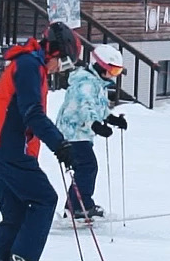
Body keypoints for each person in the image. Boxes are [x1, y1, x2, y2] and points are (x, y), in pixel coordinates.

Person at [0, 21, 80, 261]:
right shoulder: (30, 66)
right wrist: (59, 144)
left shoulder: (32, 66)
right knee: (45, 199)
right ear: (54, 51)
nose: (60, 69)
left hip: (4, 149)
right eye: (63, 62)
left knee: (16, 213)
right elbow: (32, 113)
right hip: (10, 149)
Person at [54, 43, 128, 220]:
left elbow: (98, 107)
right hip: (72, 131)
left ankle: (74, 206)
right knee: (87, 167)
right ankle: (80, 207)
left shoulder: (97, 84)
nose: (114, 76)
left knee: (84, 168)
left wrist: (111, 118)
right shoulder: (86, 84)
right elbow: (85, 106)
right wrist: (95, 125)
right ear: (103, 67)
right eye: (114, 71)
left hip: (80, 132)